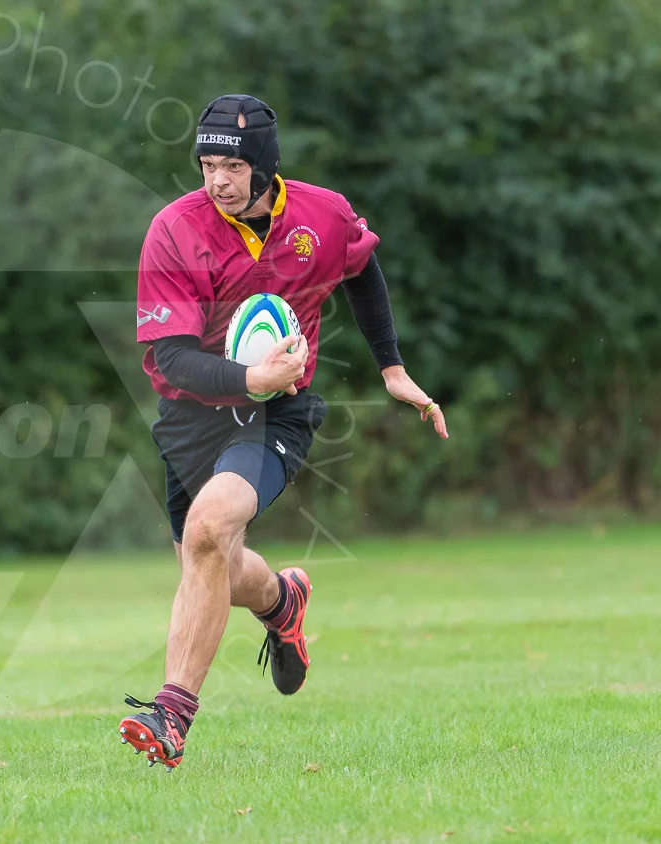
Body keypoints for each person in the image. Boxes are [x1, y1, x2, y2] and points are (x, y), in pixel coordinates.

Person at [119, 95, 448, 770]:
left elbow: (361, 267)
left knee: (209, 531)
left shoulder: (321, 214)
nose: (217, 180)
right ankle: (281, 599)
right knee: (208, 559)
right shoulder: (173, 231)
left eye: (232, 165)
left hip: (277, 413)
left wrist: (391, 366)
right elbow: (171, 357)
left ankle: (172, 714)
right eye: (207, 164)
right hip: (192, 416)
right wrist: (250, 377)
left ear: (265, 165)